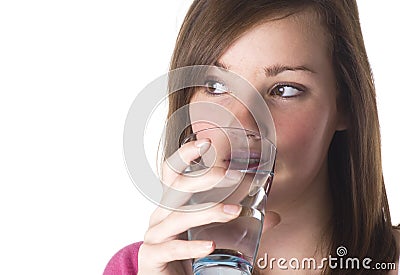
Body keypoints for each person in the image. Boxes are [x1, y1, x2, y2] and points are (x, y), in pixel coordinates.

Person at [104, 1, 400, 274]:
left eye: (284, 89)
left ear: (346, 104)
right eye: (216, 86)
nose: (242, 123)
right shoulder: (142, 269)